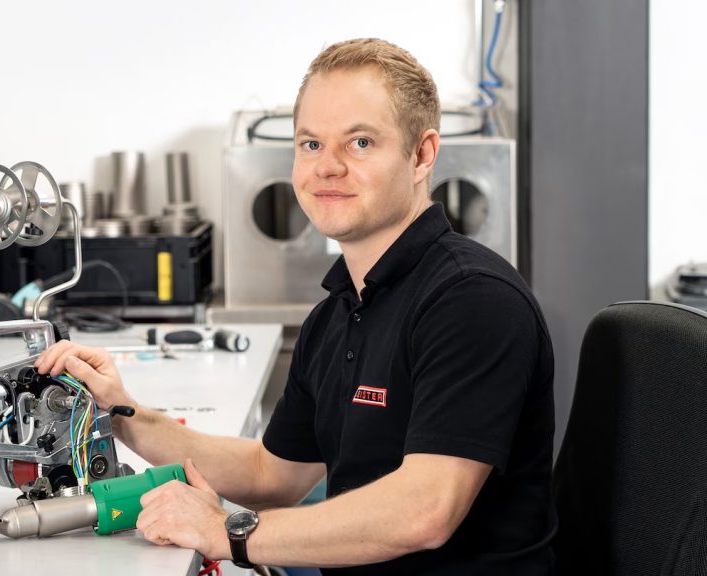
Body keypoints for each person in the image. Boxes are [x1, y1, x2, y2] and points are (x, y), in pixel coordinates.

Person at [36, 38, 555, 574]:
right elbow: (272, 474)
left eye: (359, 142)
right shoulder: (339, 312)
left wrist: (228, 533)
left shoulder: (471, 300)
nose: (327, 167)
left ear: (422, 155)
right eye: (310, 144)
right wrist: (121, 412)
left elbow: (425, 511)